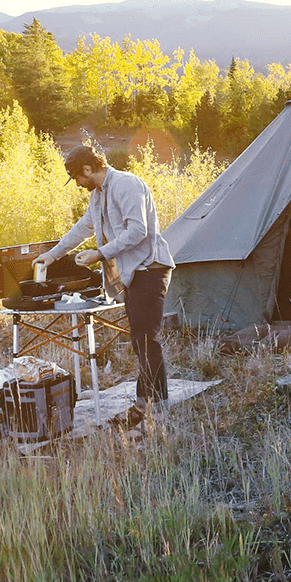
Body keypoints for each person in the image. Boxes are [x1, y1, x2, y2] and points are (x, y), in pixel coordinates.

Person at [35, 144, 174, 420]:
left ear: (88, 168)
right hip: (135, 272)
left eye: (77, 177)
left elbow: (138, 230)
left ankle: (155, 408)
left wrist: (100, 253)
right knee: (140, 340)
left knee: (146, 340)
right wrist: (52, 255)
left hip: (151, 268)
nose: (77, 184)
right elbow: (83, 227)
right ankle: (144, 405)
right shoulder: (98, 195)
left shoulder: (126, 185)